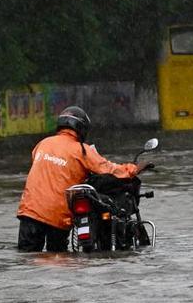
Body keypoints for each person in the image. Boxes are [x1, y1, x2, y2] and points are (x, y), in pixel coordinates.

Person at [16, 106, 142, 252]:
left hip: (29, 211)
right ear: (82, 129)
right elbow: (108, 169)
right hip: (58, 216)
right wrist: (131, 169)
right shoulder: (82, 150)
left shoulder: (42, 144)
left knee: (27, 257)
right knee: (57, 259)